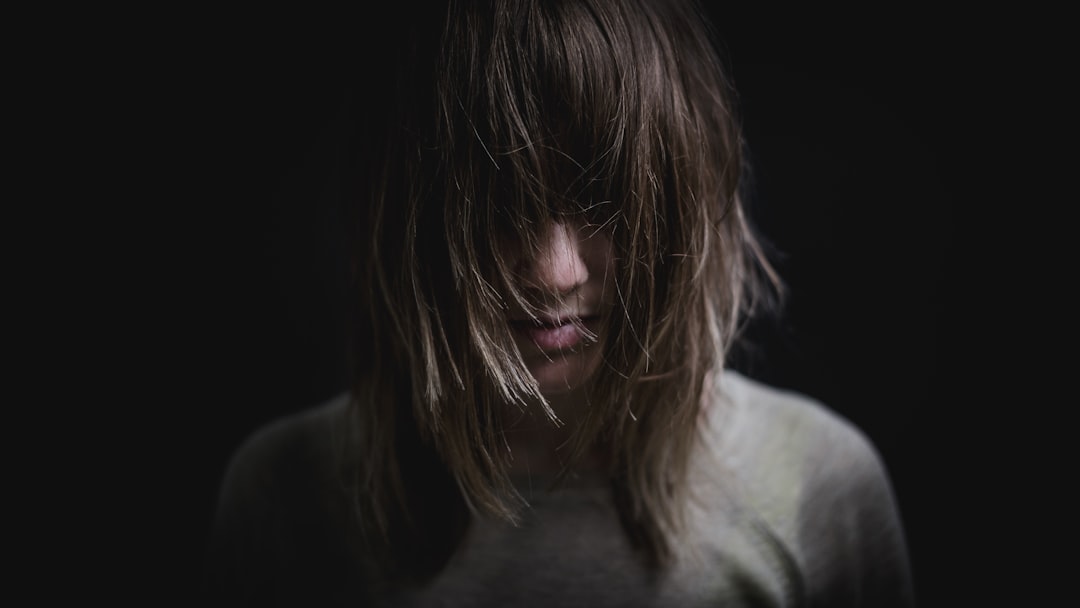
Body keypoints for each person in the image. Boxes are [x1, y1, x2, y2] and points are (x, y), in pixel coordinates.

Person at [204, 1, 916, 605]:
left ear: (683, 198)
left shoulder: (822, 489)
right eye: (500, 203)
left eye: (605, 200)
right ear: (409, 216)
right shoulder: (284, 498)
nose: (554, 271)